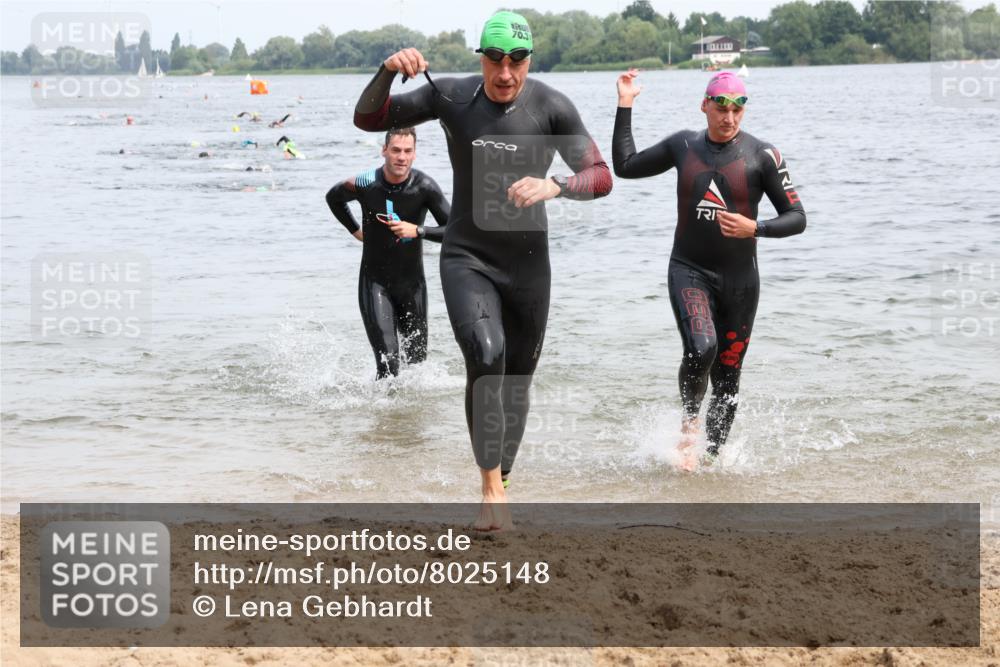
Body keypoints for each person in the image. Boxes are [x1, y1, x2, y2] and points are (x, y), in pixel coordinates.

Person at [353, 10, 612, 529]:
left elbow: (601, 176)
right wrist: (386, 70)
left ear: (529, 60)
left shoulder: (551, 107)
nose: (505, 73)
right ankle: (490, 488)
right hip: (467, 256)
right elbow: (369, 118)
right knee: (485, 354)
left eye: (517, 61)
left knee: (517, 384)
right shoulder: (452, 96)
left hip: (529, 266)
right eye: (495, 59)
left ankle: (503, 481)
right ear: (482, 57)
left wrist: (555, 185)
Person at [612, 69, 806, 470]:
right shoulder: (683, 145)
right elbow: (625, 166)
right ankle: (689, 428)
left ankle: (711, 462)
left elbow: (797, 217)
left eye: (737, 109)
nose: (729, 117)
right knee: (701, 348)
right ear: (705, 105)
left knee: (728, 376)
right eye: (721, 108)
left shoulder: (763, 155)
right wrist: (625, 103)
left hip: (740, 281)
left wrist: (756, 228)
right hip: (690, 269)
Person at [325, 127, 450, 380]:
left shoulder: (425, 187)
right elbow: (333, 198)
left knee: (417, 367)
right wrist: (355, 230)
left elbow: (455, 229)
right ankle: (381, 405)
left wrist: (419, 230)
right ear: (384, 151)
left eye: (407, 151)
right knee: (388, 365)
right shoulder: (365, 182)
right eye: (396, 150)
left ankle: (407, 409)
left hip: (413, 287)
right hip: (375, 284)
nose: (401, 157)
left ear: (414, 154)